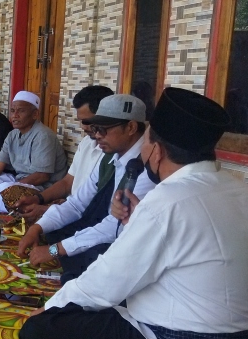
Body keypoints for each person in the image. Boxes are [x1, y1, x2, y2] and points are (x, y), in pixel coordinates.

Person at [20, 88, 248, 339]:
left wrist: (51, 308)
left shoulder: (168, 199)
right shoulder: (243, 192)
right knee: (86, 285)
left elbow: (108, 281)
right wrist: (135, 221)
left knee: (39, 331)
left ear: (156, 151)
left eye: (146, 141)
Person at [16, 94, 154, 282]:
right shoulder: (109, 157)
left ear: (131, 127)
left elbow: (113, 228)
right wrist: (37, 228)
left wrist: (55, 250)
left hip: (123, 244)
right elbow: (77, 204)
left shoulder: (146, 167)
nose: (97, 136)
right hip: (100, 228)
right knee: (52, 231)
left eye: (103, 130)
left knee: (88, 257)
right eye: (95, 129)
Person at [13, 85, 114, 220]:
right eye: (81, 121)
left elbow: (94, 205)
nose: (83, 127)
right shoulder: (86, 143)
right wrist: (38, 199)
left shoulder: (114, 153)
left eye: (87, 121)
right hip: (70, 208)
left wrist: (48, 209)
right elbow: (67, 182)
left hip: (86, 217)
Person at [0, 91, 67, 212]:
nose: (15, 115)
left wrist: (13, 186)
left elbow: (42, 176)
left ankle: (43, 204)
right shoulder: (12, 135)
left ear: (35, 114)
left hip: (42, 188)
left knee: (4, 190)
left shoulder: (43, 135)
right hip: (19, 181)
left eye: (21, 111)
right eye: (13, 111)